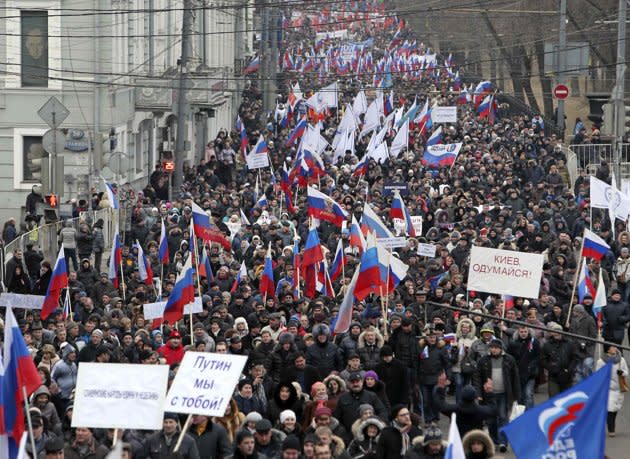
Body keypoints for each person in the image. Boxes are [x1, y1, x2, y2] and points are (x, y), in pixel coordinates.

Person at [472, 338, 519, 452]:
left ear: (501, 349)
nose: (494, 350)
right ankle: (494, 441)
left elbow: (515, 378)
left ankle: (503, 442)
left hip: (504, 394)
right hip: (489, 395)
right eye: (492, 347)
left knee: (503, 417)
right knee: (491, 420)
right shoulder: (484, 360)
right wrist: (478, 393)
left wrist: (516, 396)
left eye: (496, 348)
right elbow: (477, 377)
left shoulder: (509, 359)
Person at [596, 345, 629, 437]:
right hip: (609, 389)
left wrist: (622, 372)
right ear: (608, 349)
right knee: (610, 409)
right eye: (612, 347)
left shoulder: (621, 360)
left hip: (619, 388)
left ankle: (611, 424)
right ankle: (611, 429)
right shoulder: (601, 361)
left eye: (615, 347)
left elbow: (626, 372)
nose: (615, 348)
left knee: (615, 409)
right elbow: (598, 375)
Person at [506, 324, 541, 409]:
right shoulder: (513, 343)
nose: (523, 333)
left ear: (528, 332)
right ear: (518, 332)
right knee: (520, 396)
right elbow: (509, 357)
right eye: (521, 332)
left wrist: (532, 366)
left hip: (530, 374)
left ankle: (530, 415)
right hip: (518, 374)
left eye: (525, 331)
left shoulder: (534, 342)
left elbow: (538, 356)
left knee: (528, 394)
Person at [541, 322, 579, 396]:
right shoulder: (547, 345)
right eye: (555, 331)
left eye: (558, 331)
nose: (557, 333)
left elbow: (575, 358)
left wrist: (569, 370)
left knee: (567, 399)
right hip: (553, 377)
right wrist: (551, 368)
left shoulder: (569, 344)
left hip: (567, 377)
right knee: (554, 398)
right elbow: (543, 360)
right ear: (552, 333)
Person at [568, 304, 597, 382]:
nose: (573, 312)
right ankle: (581, 388)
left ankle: (589, 383)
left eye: (574, 311)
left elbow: (593, 335)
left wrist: (585, 343)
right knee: (578, 371)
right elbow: (571, 333)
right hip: (576, 350)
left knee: (587, 367)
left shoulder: (590, 319)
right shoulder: (573, 320)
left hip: (588, 350)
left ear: (579, 312)